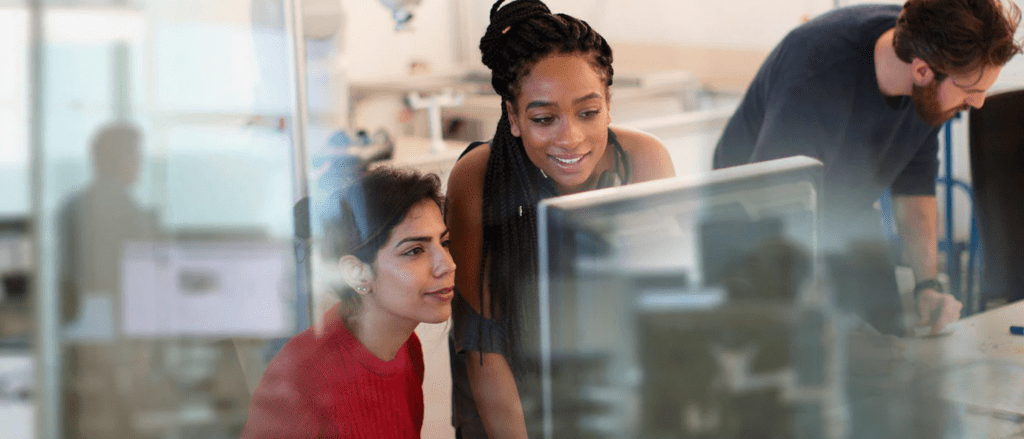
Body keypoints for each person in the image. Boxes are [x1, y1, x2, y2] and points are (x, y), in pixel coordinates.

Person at [713, 0, 1021, 336]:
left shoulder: (931, 66)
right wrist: (824, 314)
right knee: (811, 350)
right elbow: (775, 212)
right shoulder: (816, 77)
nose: (977, 103)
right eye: (972, 90)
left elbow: (915, 187)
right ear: (921, 71)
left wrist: (927, 286)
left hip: (845, 203)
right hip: (753, 215)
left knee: (886, 328)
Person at [445, 1, 675, 437]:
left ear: (608, 103)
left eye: (588, 112)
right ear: (513, 117)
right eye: (544, 118)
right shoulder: (475, 178)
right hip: (507, 406)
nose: (570, 138)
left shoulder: (644, 162)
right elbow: (483, 350)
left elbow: (660, 319)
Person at [241, 167, 456, 438]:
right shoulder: (303, 376)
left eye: (445, 242)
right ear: (357, 272)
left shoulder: (406, 349)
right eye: (414, 251)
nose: (447, 265)